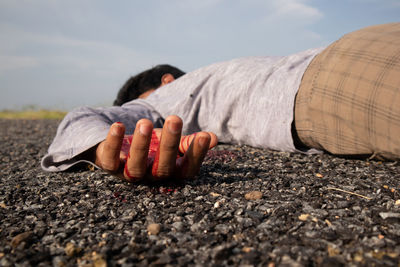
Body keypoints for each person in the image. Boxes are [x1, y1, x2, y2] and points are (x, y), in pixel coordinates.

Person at [41, 23, 400, 182]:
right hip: (349, 50)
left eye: (139, 101)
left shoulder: (165, 98)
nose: (139, 115)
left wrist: (110, 143)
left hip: (328, 83)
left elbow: (83, 117)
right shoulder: (230, 72)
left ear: (165, 82)